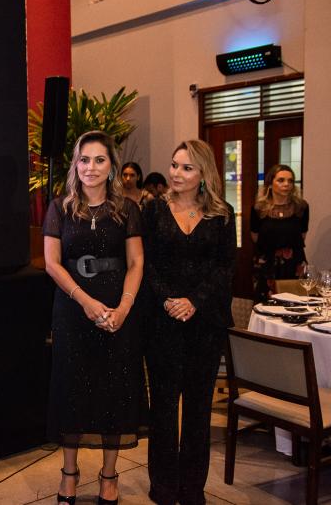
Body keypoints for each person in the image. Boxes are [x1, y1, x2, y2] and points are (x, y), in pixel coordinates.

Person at [43, 131, 146, 505]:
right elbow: (52, 263)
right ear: (75, 165)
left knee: (114, 390)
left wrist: (124, 308)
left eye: (99, 160)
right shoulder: (60, 208)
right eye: (84, 160)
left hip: (118, 310)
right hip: (72, 309)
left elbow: (136, 262)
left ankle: (109, 475)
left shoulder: (127, 209)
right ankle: (69, 474)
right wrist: (85, 301)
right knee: (72, 390)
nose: (91, 167)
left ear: (111, 166)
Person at [142, 140, 236, 505]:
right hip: (162, 321)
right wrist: (169, 299)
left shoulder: (222, 214)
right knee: (163, 408)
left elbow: (225, 267)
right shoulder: (153, 209)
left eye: (186, 167)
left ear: (203, 173)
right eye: (174, 165)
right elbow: (145, 263)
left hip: (205, 323)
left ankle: (193, 487)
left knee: (198, 409)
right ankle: (164, 487)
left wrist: (194, 301)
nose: (176, 173)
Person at [251, 164, 309, 303]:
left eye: (290, 181)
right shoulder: (258, 208)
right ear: (270, 183)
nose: (286, 184)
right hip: (267, 265)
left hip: (294, 264)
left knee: (296, 306)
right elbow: (255, 237)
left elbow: (302, 235)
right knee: (266, 306)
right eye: (281, 180)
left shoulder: (301, 207)